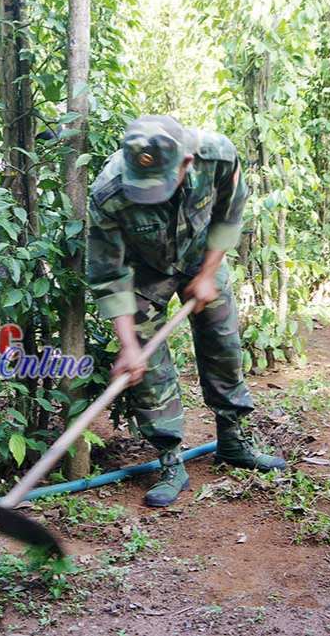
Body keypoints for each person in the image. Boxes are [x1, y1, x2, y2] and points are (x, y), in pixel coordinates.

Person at [87, 115, 285, 508]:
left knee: (223, 345)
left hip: (201, 258)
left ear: (187, 162)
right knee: (149, 366)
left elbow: (229, 216)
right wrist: (128, 346)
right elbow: (109, 275)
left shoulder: (219, 156)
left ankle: (233, 441)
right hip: (143, 273)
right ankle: (169, 460)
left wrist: (209, 273)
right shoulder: (109, 193)